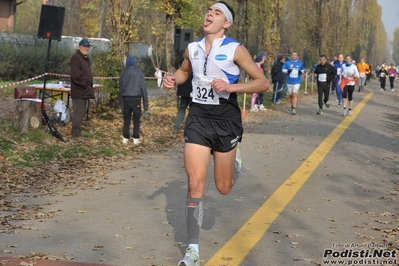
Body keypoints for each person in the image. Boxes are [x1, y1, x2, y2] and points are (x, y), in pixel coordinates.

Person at [162, 2, 269, 265]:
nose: (210, 14)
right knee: (194, 183)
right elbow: (185, 71)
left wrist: (232, 88)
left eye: (217, 12)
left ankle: (236, 163)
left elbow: (262, 82)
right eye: (209, 10)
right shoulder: (193, 48)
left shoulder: (235, 49)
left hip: (225, 120)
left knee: (222, 188)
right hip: (198, 117)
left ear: (226, 24)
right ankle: (193, 252)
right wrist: (173, 79)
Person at [119, 56, 149, 145]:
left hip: (126, 99)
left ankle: (125, 137)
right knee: (136, 119)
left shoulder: (123, 74)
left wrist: (121, 105)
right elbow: (144, 89)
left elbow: (121, 90)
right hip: (136, 99)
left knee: (126, 118)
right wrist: (145, 105)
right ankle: (136, 137)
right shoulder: (139, 73)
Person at [70, 39, 95, 138]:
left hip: (84, 90)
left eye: (88, 46)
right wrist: (85, 84)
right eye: (85, 46)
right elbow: (76, 76)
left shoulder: (85, 59)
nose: (87, 48)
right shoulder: (76, 58)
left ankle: (77, 131)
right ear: (79, 46)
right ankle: (75, 133)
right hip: (79, 90)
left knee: (81, 112)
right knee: (78, 112)